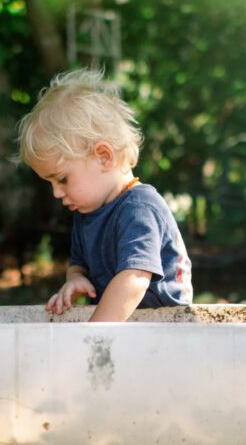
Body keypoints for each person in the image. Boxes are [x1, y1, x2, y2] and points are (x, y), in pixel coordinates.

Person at [16, 67, 192, 322]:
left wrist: (92, 336)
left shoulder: (140, 206)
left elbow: (135, 279)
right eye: (50, 183)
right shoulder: (87, 211)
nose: (56, 193)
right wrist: (76, 278)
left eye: (62, 179)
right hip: (122, 327)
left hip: (166, 325)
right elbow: (78, 263)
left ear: (103, 156)